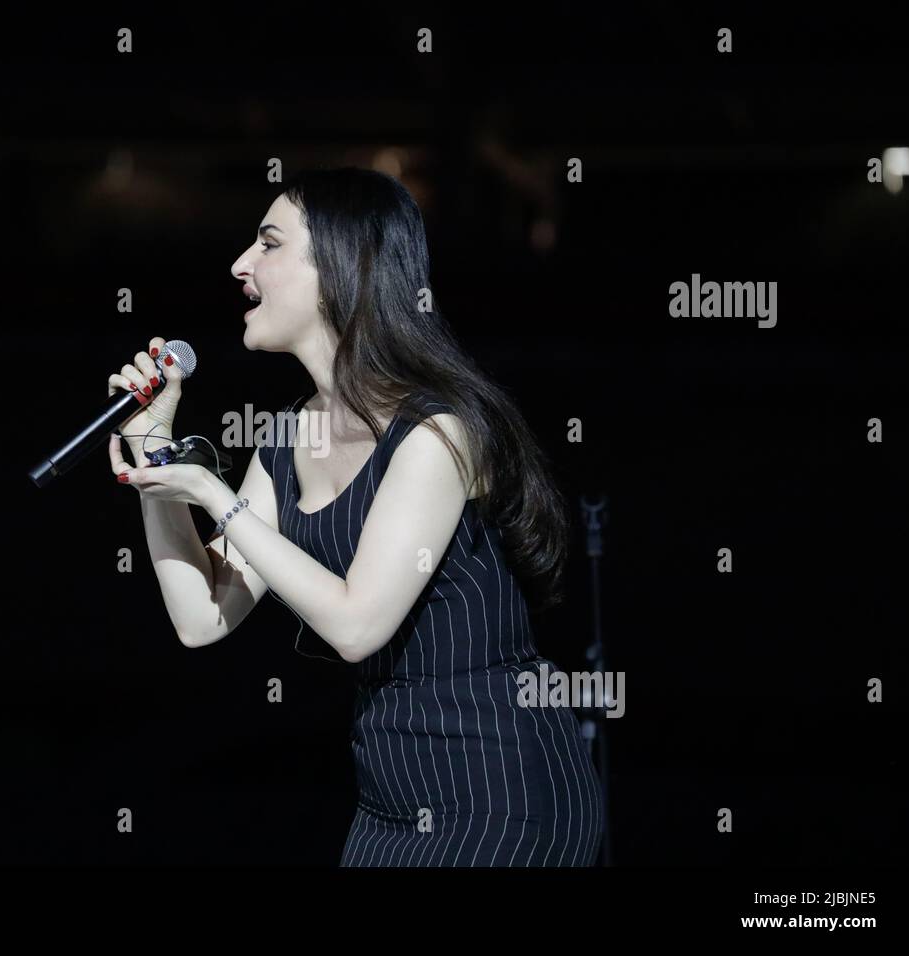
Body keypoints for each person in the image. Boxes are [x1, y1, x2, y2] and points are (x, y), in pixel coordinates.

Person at [107, 167, 602, 866]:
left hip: (502, 791)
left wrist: (217, 498)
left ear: (344, 268)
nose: (240, 265)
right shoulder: (288, 436)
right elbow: (202, 617)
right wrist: (156, 460)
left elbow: (354, 625)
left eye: (269, 244)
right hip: (391, 798)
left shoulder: (439, 433)